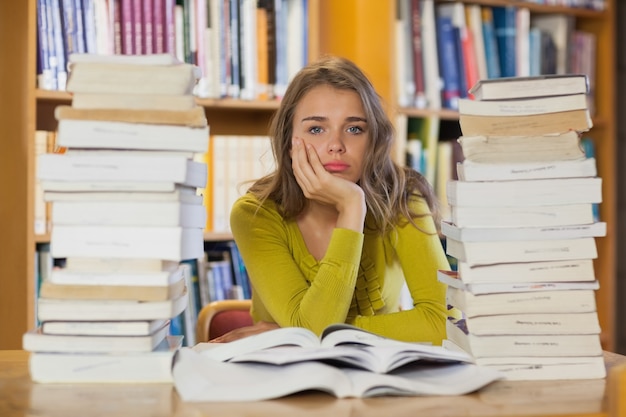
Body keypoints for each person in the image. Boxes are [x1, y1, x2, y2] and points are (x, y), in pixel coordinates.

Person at [212, 56, 450, 344]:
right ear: (289, 142)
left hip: (377, 377)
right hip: (287, 377)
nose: (336, 145)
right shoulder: (255, 214)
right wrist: (351, 208)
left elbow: (446, 322)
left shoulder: (401, 198)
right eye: (316, 129)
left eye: (354, 129)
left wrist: (298, 331)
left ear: (373, 138)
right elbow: (311, 328)